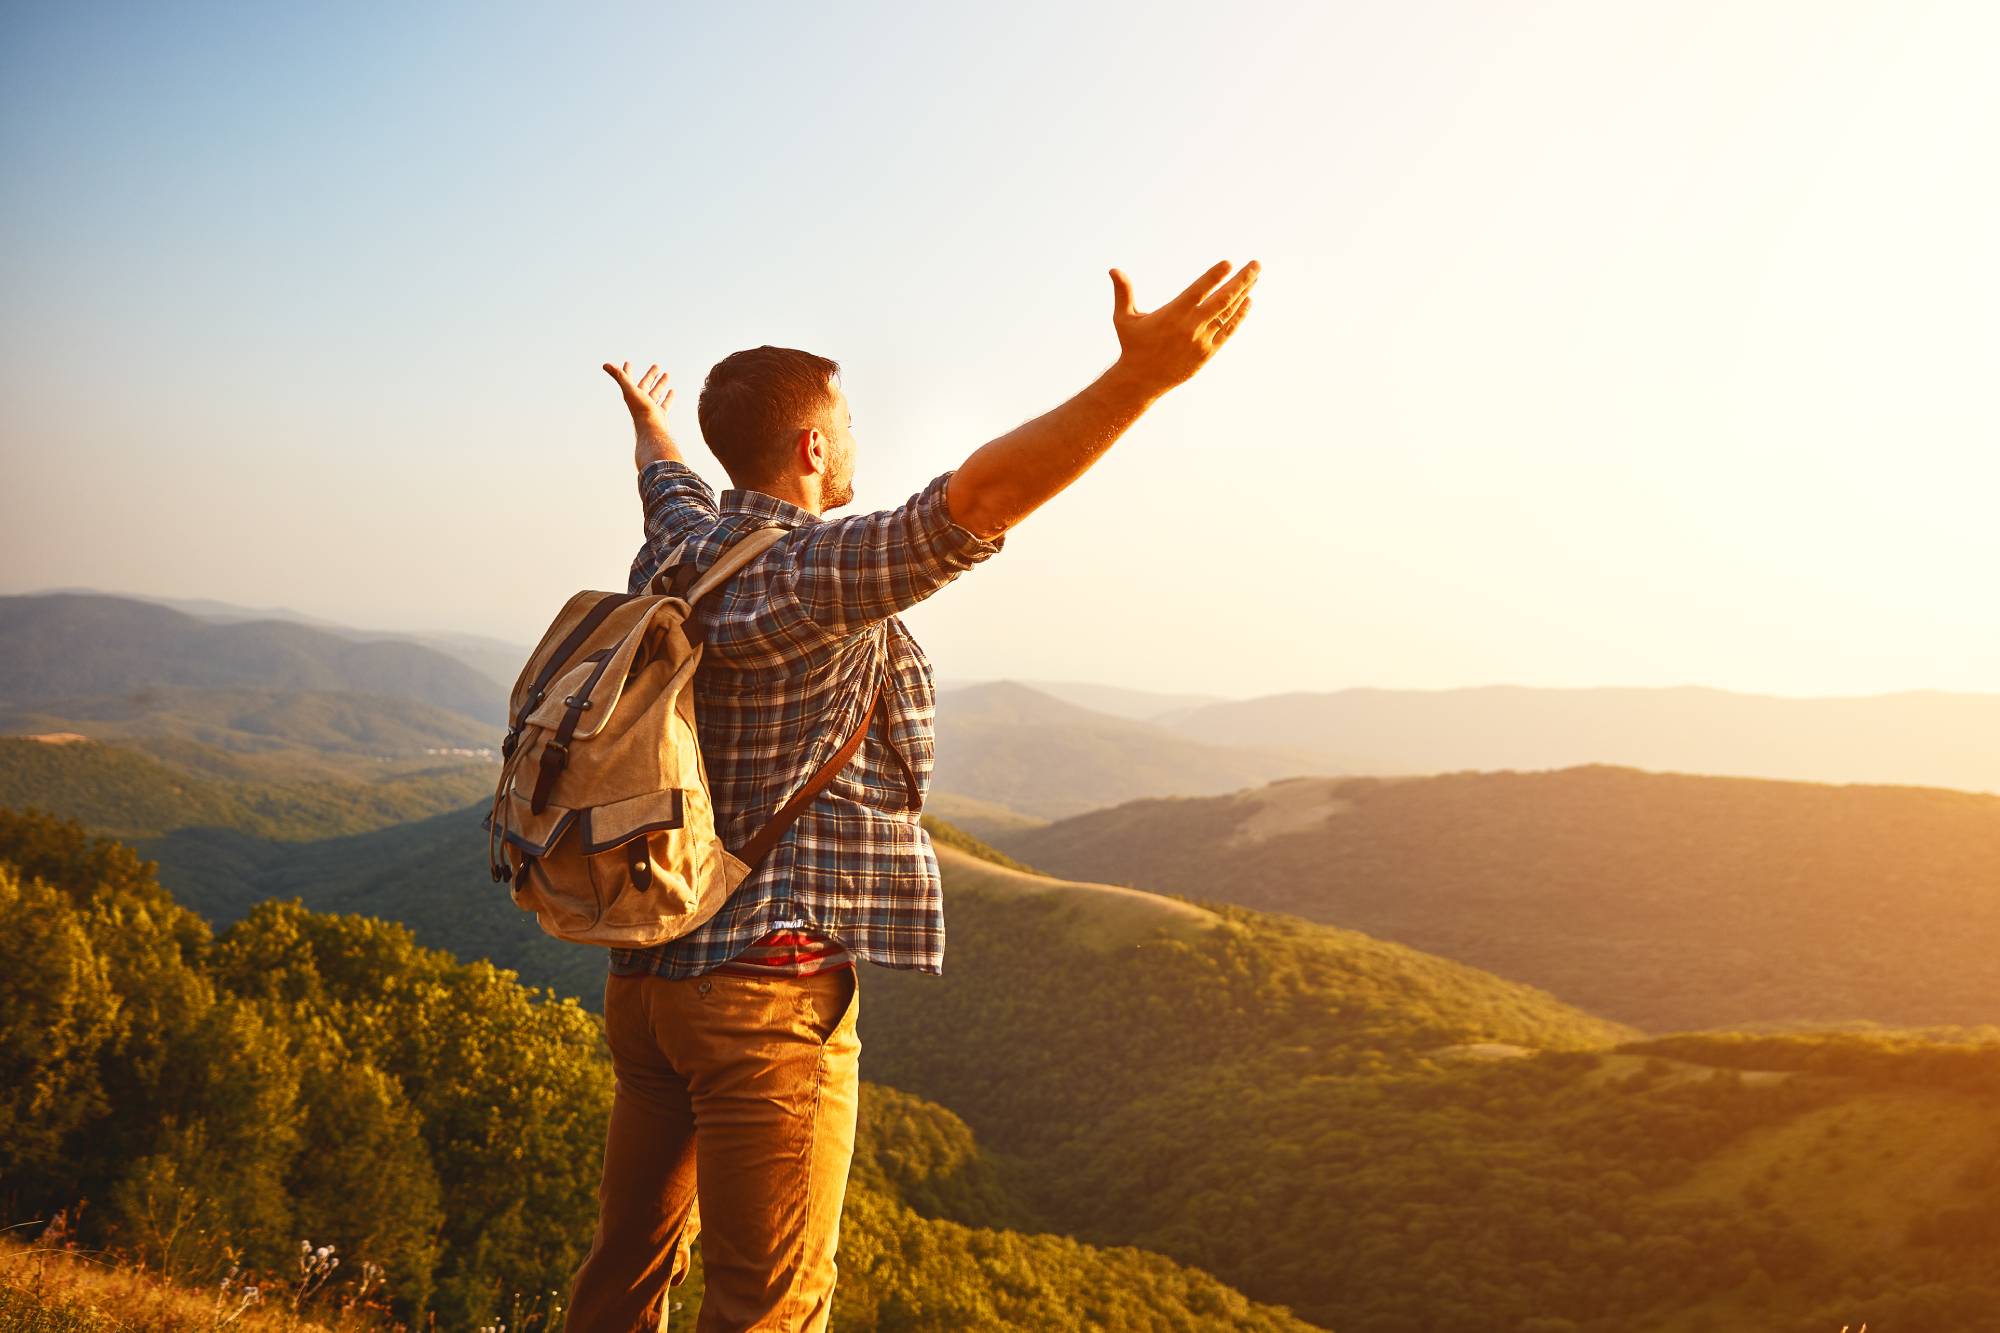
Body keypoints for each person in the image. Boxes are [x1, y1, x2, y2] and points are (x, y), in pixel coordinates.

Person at [562, 258, 1259, 1332]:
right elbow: (973, 503)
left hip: (648, 983)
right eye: (843, 429)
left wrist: (653, 424)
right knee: (769, 1303)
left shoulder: (684, 546)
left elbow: (666, 480)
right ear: (811, 449)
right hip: (761, 989)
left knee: (625, 1274)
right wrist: (1139, 382)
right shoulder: (813, 572)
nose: (853, 447)